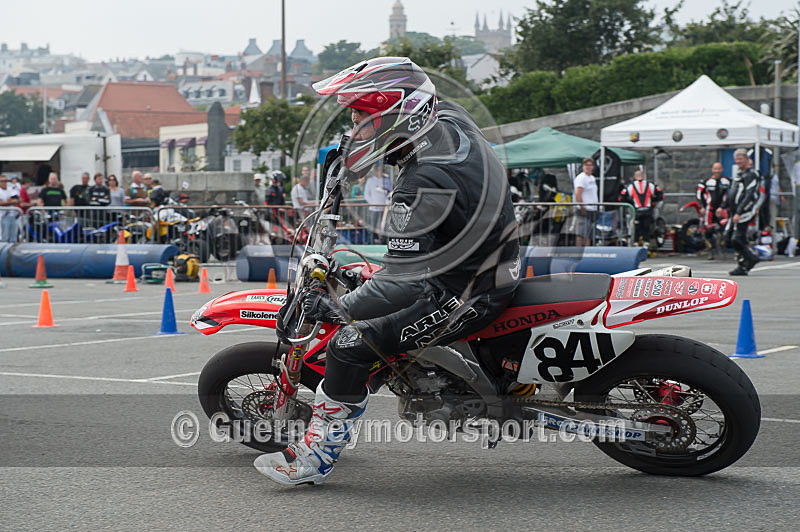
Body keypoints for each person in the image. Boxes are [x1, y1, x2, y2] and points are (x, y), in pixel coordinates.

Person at [254, 57, 520, 486]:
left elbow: (403, 282)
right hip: (486, 264)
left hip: (468, 290)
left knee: (348, 345)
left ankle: (314, 459)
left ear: (395, 115)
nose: (354, 126)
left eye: (361, 115)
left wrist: (335, 307)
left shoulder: (421, 181)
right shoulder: (449, 117)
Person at [726, 149, 765, 276]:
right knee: (731, 238)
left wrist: (739, 211)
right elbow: (732, 192)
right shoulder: (739, 174)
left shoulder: (751, 174)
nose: (738, 161)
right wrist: (723, 206)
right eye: (736, 159)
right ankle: (743, 264)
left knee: (736, 238)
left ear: (747, 160)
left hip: (745, 210)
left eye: (741, 159)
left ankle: (751, 258)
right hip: (734, 211)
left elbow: (749, 194)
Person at [695, 162, 731, 259]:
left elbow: (731, 194)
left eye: (719, 169)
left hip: (722, 209)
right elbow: (699, 195)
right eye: (715, 169)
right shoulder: (706, 182)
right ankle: (710, 249)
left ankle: (721, 248)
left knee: (724, 228)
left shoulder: (727, 181)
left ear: (722, 170)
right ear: (712, 170)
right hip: (709, 209)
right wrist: (701, 206)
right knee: (708, 229)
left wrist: (724, 206)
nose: (717, 171)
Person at [619, 169, 662, 248]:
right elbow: (660, 195)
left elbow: (621, 198)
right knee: (647, 227)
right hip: (648, 210)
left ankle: (635, 243)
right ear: (644, 176)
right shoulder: (651, 185)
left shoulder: (630, 186)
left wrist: (630, 202)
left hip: (636, 210)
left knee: (637, 228)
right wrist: (653, 200)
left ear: (635, 177)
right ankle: (646, 243)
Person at [573, 158, 599, 246]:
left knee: (588, 234)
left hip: (592, 209)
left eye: (590, 165)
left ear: (593, 167)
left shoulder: (592, 178)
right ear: (583, 166)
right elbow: (578, 193)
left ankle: (587, 252)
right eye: (586, 165)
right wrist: (582, 206)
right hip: (584, 209)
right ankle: (579, 252)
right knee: (581, 234)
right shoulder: (581, 178)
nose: (588, 167)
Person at [363, 168, 392, 242]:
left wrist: (388, 202)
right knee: (372, 226)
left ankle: (384, 242)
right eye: (378, 170)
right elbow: (366, 194)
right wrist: (372, 203)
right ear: (375, 171)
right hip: (374, 209)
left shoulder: (386, 180)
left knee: (385, 226)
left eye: (381, 170)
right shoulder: (370, 180)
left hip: (385, 209)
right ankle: (372, 243)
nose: (379, 172)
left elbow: (390, 192)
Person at [0, 174, 21, 242]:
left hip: (13, 215)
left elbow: (19, 200)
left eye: (5, 181)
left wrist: (11, 201)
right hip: (3, 216)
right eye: (2, 181)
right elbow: (1, 203)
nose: (4, 182)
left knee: (13, 238)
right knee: (5, 237)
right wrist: (12, 201)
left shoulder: (10, 189)